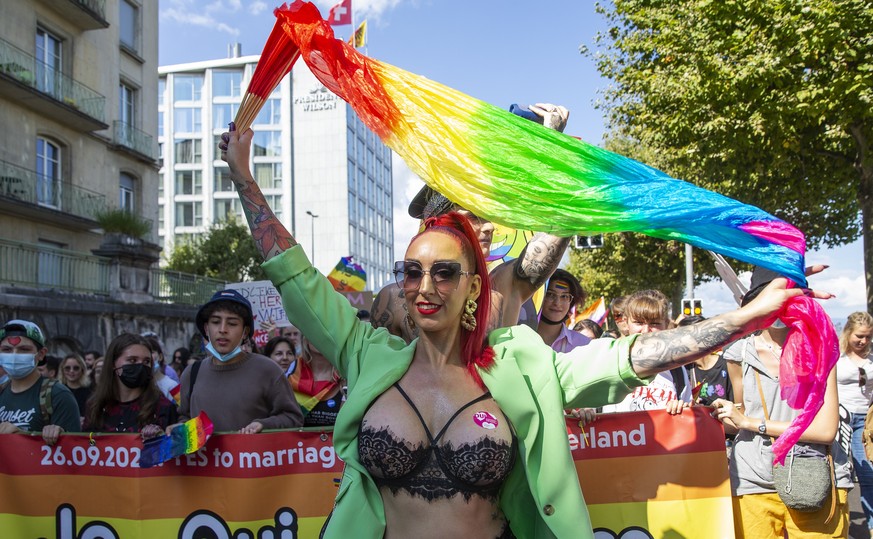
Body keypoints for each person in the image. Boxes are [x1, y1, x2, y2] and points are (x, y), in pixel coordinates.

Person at [220, 122, 821, 539]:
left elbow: (632, 357)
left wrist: (741, 319)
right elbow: (294, 276)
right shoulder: (366, 354)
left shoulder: (523, 362)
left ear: (474, 286)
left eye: (444, 272)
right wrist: (246, 180)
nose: (425, 286)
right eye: (412, 272)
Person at [370, 104, 573, 343]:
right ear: (442, 224)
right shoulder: (393, 301)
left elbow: (562, 222)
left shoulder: (502, 287)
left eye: (489, 216)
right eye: (475, 216)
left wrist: (551, 145)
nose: (490, 227)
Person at [712, 268, 850, 538]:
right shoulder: (738, 352)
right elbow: (740, 414)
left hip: (814, 475)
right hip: (753, 479)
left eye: (791, 298)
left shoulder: (821, 349)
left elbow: (825, 431)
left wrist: (752, 423)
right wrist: (700, 415)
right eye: (774, 298)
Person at [175, 289, 303, 433]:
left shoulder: (268, 370)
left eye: (232, 323)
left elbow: (294, 418)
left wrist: (264, 425)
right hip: (205, 456)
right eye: (216, 322)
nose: (222, 329)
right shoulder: (192, 373)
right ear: (206, 328)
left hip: (256, 455)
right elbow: (184, 417)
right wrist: (180, 428)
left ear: (245, 332)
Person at [601, 290, 692, 412]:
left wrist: (681, 409)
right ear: (626, 322)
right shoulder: (609, 360)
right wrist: (586, 413)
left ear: (666, 324)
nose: (646, 330)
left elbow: (688, 414)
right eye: (639, 322)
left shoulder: (677, 369)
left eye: (654, 323)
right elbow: (590, 406)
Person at [0, 320, 80, 444]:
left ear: (41, 354)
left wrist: (23, 436)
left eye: (24, 349)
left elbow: (77, 451)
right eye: (6, 349)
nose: (14, 355)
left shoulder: (58, 395)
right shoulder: (2, 392)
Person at [83, 333, 178, 436]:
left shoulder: (163, 407)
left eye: (146, 361)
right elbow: (87, 445)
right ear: (113, 364)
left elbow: (174, 447)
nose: (140, 366)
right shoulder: (95, 406)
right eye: (132, 360)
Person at [835, 311, 873, 535]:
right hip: (840, 419)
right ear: (848, 333)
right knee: (839, 473)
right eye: (859, 336)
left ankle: (871, 527)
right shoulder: (836, 357)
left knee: (867, 474)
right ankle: (838, 525)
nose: (864, 341)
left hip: (864, 422)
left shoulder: (871, 359)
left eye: (868, 336)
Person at [290, 336, 344, 427]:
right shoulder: (291, 372)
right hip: (298, 440)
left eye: (324, 333)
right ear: (305, 339)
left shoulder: (345, 374)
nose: (320, 336)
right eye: (314, 331)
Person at [535, 269, 590, 351]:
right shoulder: (520, 338)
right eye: (550, 294)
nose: (557, 303)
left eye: (564, 296)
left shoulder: (584, 345)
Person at [142, 335, 179, 403]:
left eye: (152, 352)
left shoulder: (173, 385)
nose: (148, 356)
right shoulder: (139, 385)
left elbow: (183, 409)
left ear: (160, 357)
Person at [58, 353, 92, 420]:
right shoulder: (57, 391)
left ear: (82, 370)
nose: (71, 371)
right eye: (67, 368)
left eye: (76, 368)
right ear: (62, 370)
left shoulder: (90, 392)